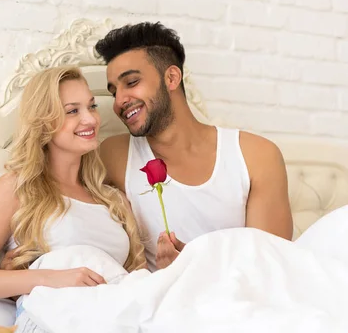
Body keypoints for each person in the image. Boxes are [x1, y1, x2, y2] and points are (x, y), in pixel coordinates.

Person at [0, 65, 147, 332]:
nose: (90, 119)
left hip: (114, 316)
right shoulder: (18, 189)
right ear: (44, 121)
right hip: (52, 318)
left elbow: (133, 280)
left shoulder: (111, 199)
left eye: (91, 107)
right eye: (72, 111)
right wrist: (49, 278)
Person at [95, 21, 294, 272]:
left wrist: (196, 269)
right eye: (114, 92)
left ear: (171, 77)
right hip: (161, 303)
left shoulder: (256, 156)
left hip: (239, 302)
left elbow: (272, 266)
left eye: (132, 82)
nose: (120, 101)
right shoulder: (113, 156)